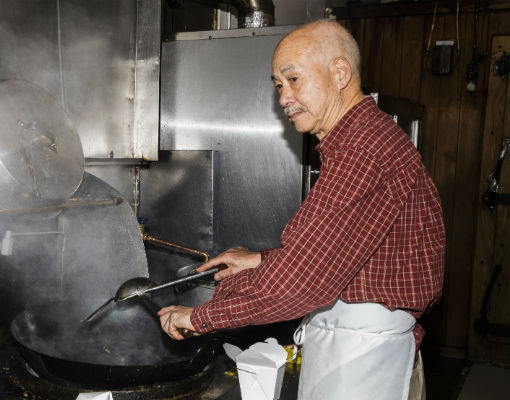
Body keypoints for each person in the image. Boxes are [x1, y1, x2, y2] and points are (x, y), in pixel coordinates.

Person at [158, 19, 444, 400]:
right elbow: (341, 251)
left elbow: (302, 283)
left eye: (293, 80)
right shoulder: (363, 139)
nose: (283, 98)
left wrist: (196, 317)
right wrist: (262, 260)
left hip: (361, 360)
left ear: (340, 73)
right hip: (355, 345)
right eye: (278, 85)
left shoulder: (362, 150)